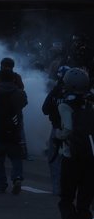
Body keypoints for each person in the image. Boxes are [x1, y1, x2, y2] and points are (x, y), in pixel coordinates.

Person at [55, 68, 94, 219]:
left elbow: (67, 130)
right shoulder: (91, 103)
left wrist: (57, 134)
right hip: (91, 158)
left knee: (66, 198)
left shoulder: (65, 105)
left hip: (72, 157)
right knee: (85, 204)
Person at [0, 67, 28, 194]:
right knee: (16, 157)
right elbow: (24, 103)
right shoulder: (19, 93)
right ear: (13, 79)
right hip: (14, 129)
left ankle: (1, 184)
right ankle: (17, 177)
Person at [42, 65, 70, 196]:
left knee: (54, 159)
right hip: (76, 132)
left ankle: (57, 188)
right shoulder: (80, 94)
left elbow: (45, 109)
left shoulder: (55, 92)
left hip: (58, 130)